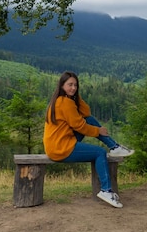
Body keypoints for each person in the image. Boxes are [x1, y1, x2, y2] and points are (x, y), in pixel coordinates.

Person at [43, 71, 134, 208]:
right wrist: (98, 131)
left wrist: (76, 96)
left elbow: (86, 113)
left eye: (75, 85)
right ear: (62, 86)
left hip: (58, 143)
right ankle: (106, 191)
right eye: (70, 85)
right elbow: (79, 126)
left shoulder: (62, 100)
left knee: (89, 120)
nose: (73, 88)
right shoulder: (65, 103)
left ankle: (114, 147)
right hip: (61, 148)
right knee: (99, 152)